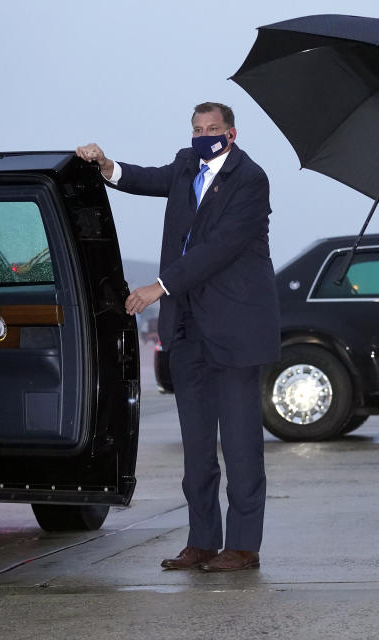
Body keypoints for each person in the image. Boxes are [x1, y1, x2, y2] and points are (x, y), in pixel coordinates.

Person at [76, 102, 279, 572]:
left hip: (236, 332)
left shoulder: (251, 179)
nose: (204, 135)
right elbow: (148, 178)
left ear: (232, 133)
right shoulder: (187, 165)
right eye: (197, 129)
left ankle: (244, 546)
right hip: (187, 330)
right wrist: (108, 167)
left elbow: (218, 249)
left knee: (242, 446)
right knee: (197, 450)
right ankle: (203, 541)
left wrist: (158, 287)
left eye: (213, 129)